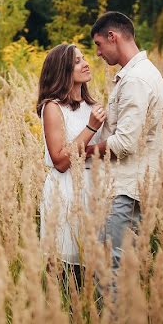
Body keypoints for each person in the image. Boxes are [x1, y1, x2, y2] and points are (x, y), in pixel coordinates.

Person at [86, 11, 163, 281]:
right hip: (135, 186)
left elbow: (125, 143)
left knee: (109, 271)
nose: (97, 53)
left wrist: (82, 153)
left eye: (98, 44)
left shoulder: (135, 80)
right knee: (123, 272)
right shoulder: (141, 73)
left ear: (113, 36)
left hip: (126, 190)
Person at [37, 43, 106, 286]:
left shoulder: (93, 106)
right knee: (66, 272)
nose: (85, 63)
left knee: (96, 268)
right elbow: (60, 161)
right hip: (66, 190)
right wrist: (91, 128)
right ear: (62, 70)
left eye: (84, 58)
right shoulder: (53, 107)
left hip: (95, 189)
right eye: (77, 61)